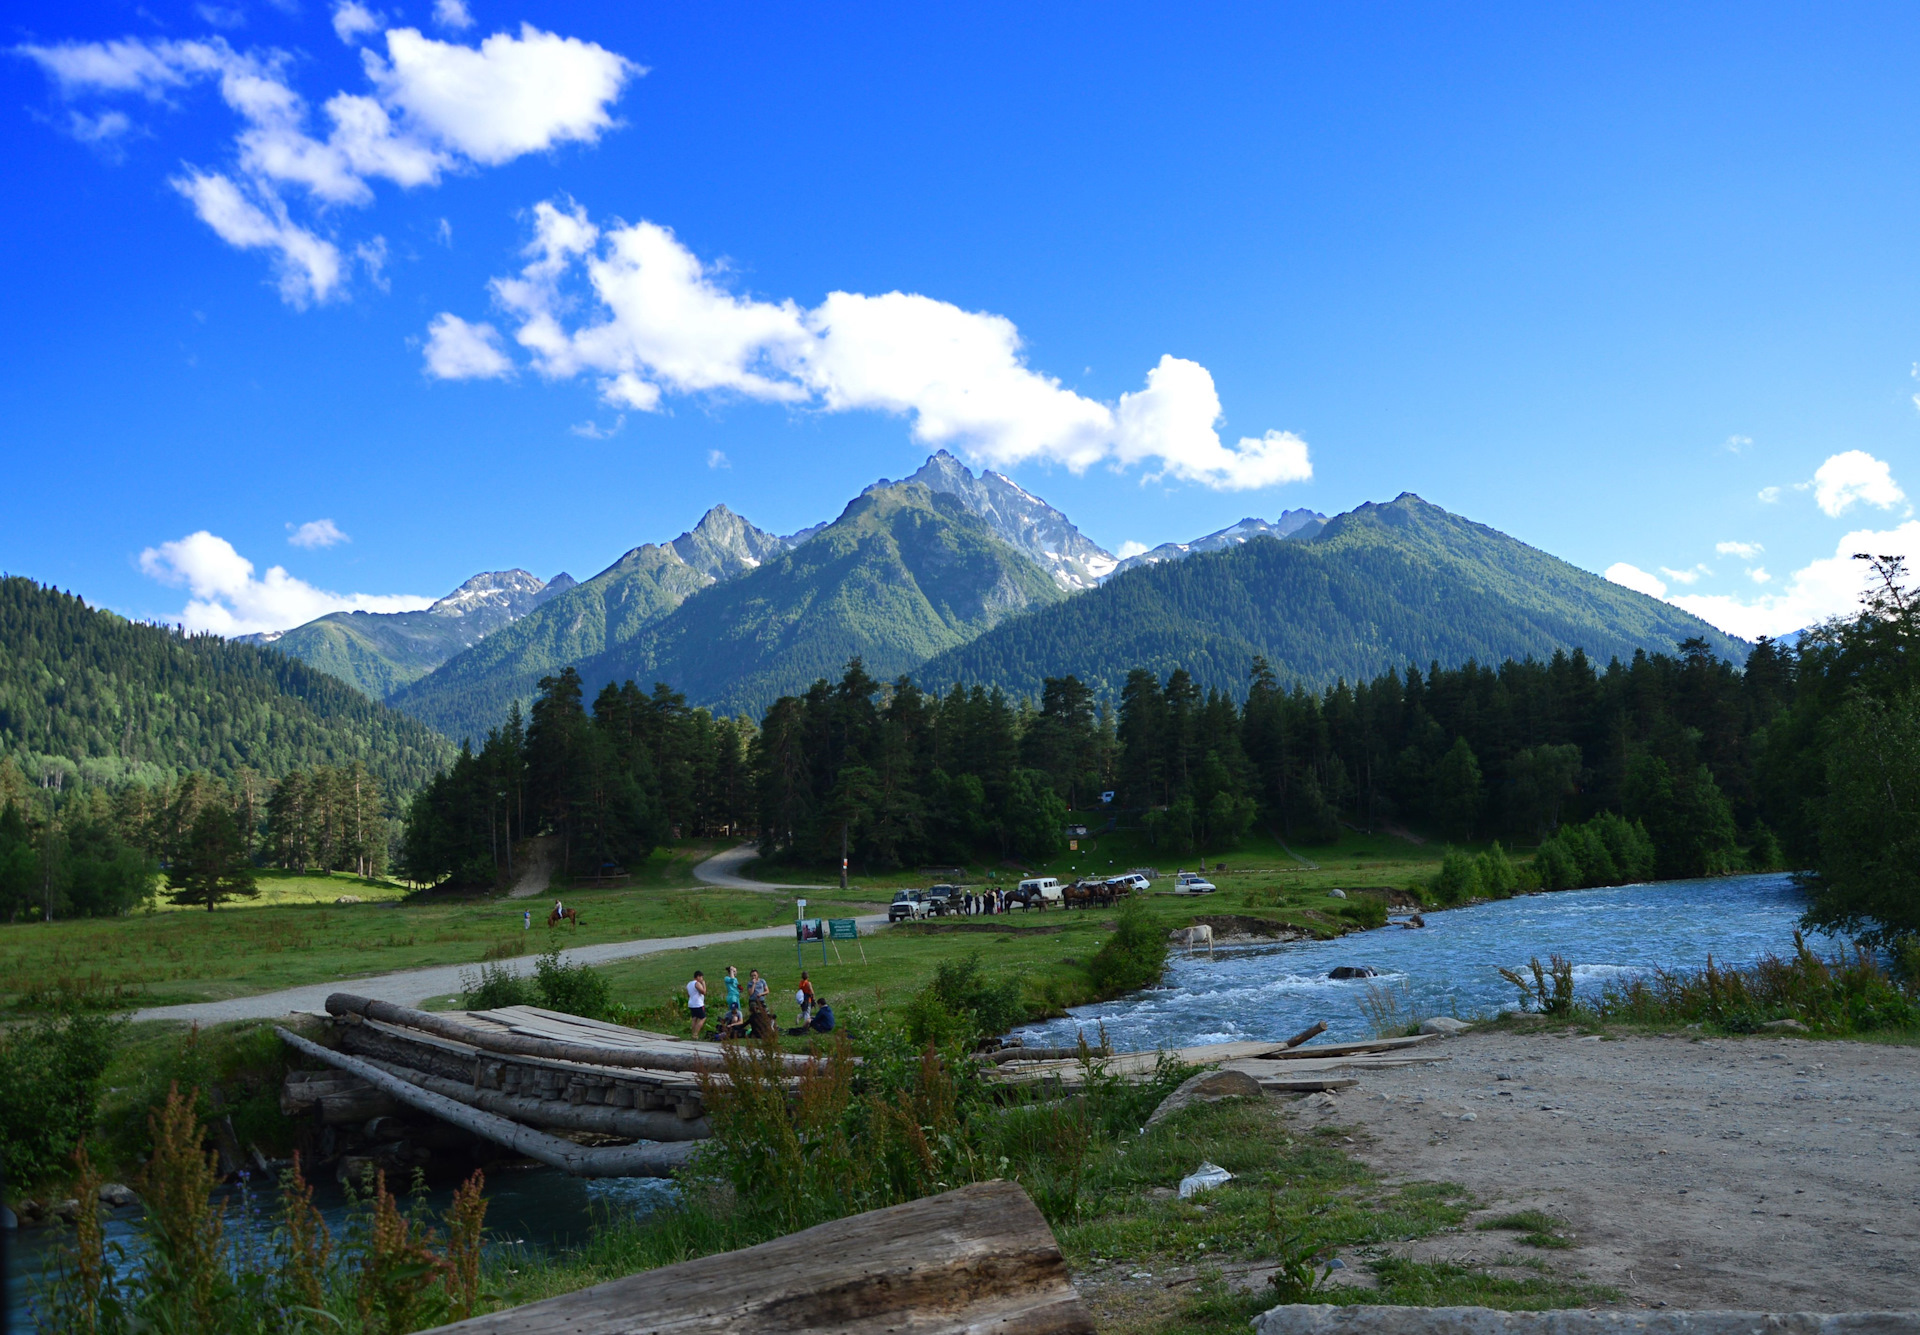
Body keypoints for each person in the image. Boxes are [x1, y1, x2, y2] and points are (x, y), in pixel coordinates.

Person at [686, 970, 708, 1040]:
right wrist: (704, 984)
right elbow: (703, 992)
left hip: (691, 1003)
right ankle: (696, 1034)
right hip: (698, 1004)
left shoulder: (689, 984)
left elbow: (688, 995)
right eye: (701, 977)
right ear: (698, 977)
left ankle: (693, 1033)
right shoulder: (697, 983)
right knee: (703, 1018)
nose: (702, 979)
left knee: (694, 1019)